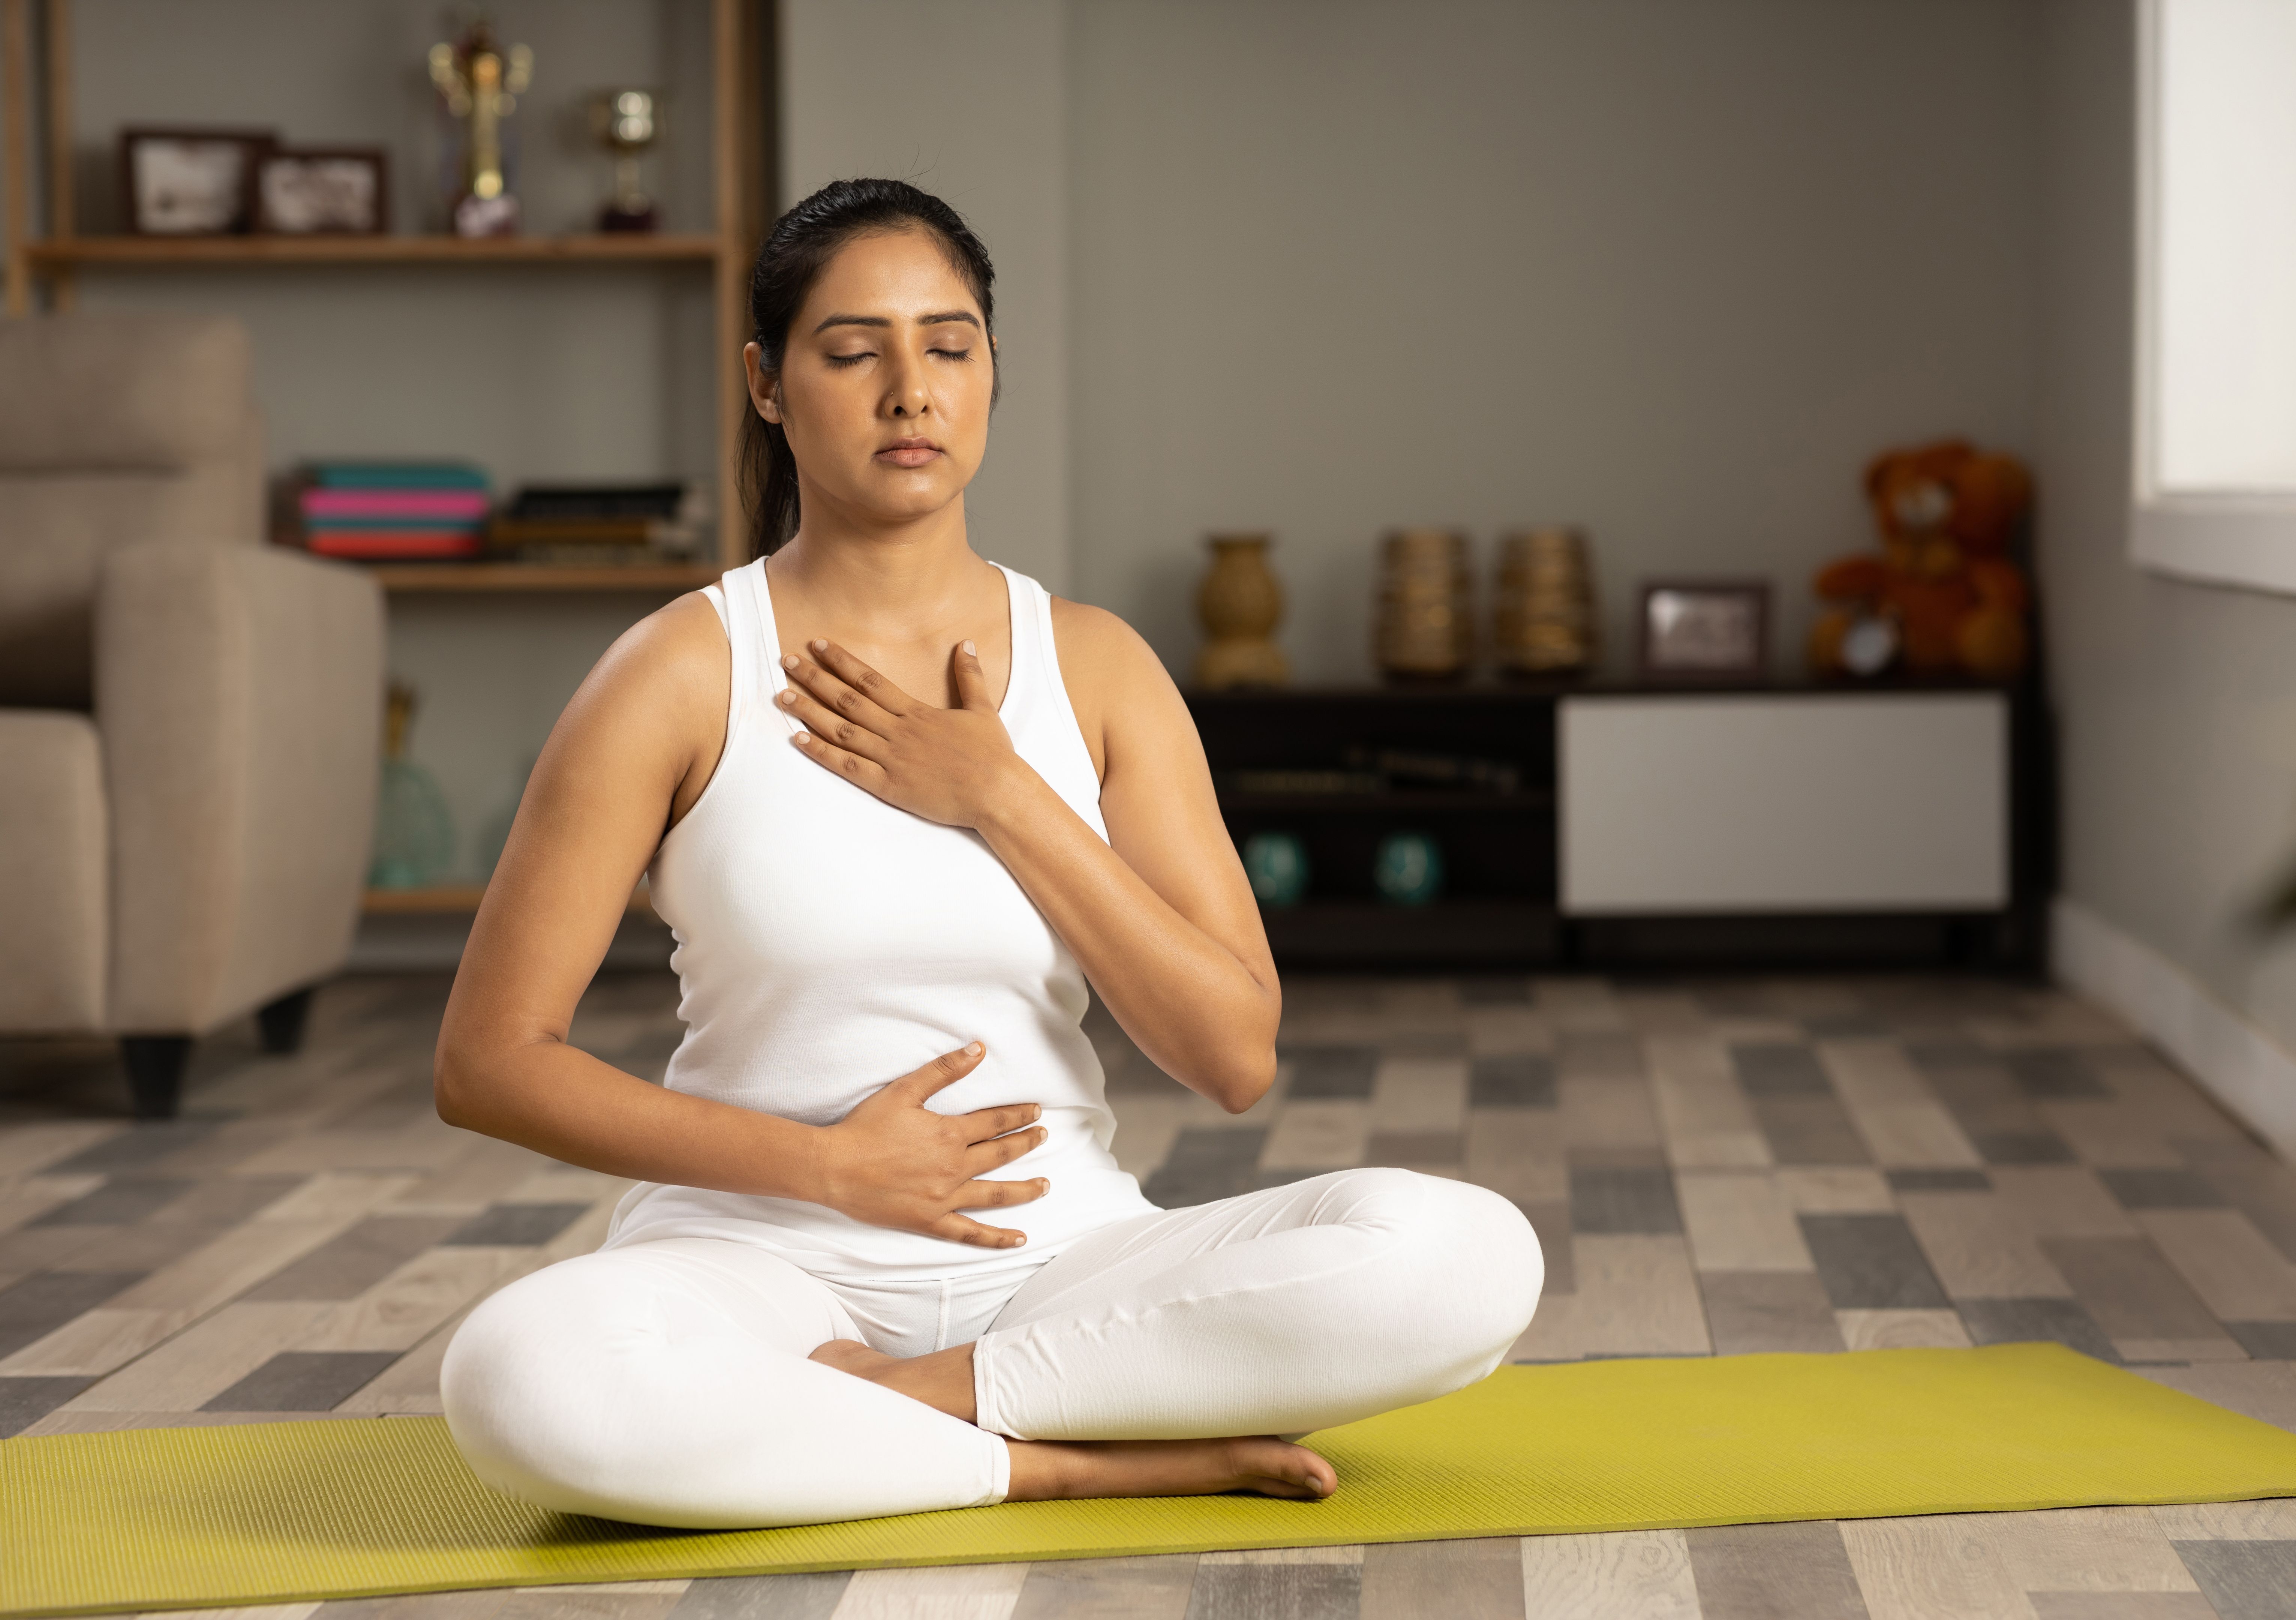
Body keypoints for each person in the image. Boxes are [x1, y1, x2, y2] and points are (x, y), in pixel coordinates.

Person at [432, 177, 1543, 1530]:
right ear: (769, 384)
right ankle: (1052, 1453)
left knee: (1465, 1257)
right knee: (520, 1380)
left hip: (1061, 1260)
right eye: (854, 352)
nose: (911, 391)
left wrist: (1007, 798)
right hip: (760, 1264)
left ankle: (902, 1407)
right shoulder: (679, 669)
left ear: (990, 373)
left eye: (948, 348)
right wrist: (833, 1170)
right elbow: (489, 1061)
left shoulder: (1098, 666)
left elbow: (1233, 1056)